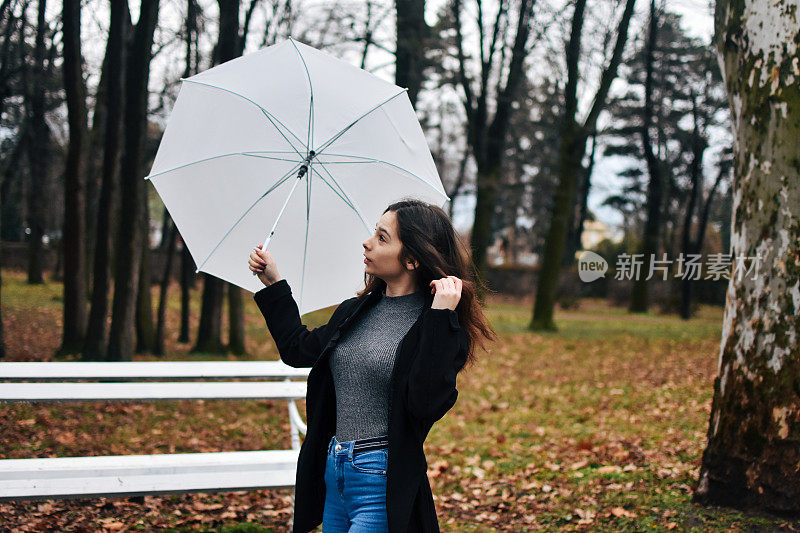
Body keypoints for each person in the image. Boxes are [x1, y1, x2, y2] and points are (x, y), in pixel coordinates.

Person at [248, 199, 497, 532]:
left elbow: (425, 403)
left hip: (380, 478)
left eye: (382, 237)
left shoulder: (438, 328)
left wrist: (440, 317)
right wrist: (274, 283)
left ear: (411, 259)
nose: (367, 242)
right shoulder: (356, 311)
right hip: (334, 469)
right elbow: (297, 349)